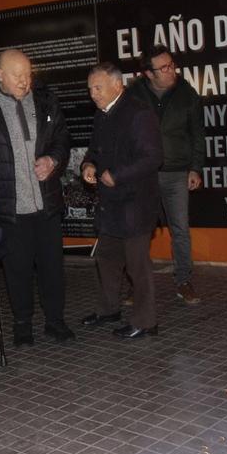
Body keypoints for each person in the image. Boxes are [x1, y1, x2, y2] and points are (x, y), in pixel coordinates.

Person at [0, 48, 75, 346]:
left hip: (45, 203)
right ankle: (22, 325)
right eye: (17, 75)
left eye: (28, 74)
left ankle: (55, 322)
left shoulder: (45, 99)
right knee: (17, 270)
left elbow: (62, 138)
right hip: (8, 206)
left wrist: (53, 160)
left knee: (52, 268)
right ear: (0, 75)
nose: (24, 81)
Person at [80, 62, 163, 339]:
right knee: (106, 259)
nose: (93, 93)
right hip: (110, 206)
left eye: (98, 87)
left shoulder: (138, 113)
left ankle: (146, 321)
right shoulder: (101, 114)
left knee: (137, 266)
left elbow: (152, 158)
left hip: (134, 205)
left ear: (117, 85)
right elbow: (93, 149)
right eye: (90, 88)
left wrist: (117, 175)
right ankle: (108, 310)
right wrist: (88, 165)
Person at [126, 45, 205, 304]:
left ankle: (184, 281)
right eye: (164, 67)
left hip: (176, 174)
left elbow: (198, 135)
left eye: (171, 64)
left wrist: (195, 168)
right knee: (139, 230)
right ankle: (136, 285)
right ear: (148, 73)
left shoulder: (187, 93)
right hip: (144, 173)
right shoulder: (133, 94)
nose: (172, 70)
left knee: (180, 229)